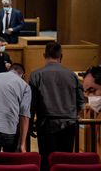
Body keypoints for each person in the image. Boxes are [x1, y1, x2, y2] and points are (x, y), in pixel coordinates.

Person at [29, 42, 85, 171]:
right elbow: (81, 103)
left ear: (44, 55)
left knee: (46, 162)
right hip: (68, 125)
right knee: (65, 162)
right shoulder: (72, 75)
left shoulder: (36, 75)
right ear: (61, 56)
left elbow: (32, 104)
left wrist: (30, 123)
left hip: (45, 125)